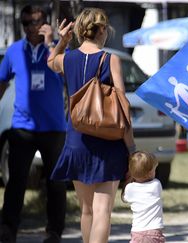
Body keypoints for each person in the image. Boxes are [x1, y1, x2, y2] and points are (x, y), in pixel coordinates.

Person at [46, 8, 135, 243]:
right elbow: (122, 105)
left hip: (76, 142)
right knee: (103, 211)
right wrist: (132, 148)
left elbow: (50, 62)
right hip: (108, 143)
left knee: (86, 211)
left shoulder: (68, 58)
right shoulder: (110, 59)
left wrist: (62, 41)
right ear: (102, 29)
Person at [0, 5, 67, 243]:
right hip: (22, 127)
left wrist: (51, 43)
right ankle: (8, 229)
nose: (31, 27)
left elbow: (66, 74)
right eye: (26, 23)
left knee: (56, 184)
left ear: (46, 23)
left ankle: (54, 232)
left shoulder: (59, 48)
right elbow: (2, 81)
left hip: (54, 127)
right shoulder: (14, 51)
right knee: (16, 182)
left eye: (36, 22)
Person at [121, 151, 165, 243]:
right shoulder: (156, 185)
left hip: (137, 231)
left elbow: (125, 198)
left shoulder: (130, 188)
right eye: (154, 170)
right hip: (154, 231)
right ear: (149, 173)